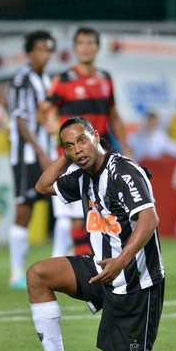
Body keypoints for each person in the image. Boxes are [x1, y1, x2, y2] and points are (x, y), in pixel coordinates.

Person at [21, 116, 176, 351]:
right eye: (69, 146)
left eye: (82, 140)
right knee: (38, 274)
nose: (77, 149)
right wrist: (69, 157)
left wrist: (121, 261)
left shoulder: (123, 171)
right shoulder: (83, 175)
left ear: (95, 135)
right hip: (101, 269)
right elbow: (43, 185)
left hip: (137, 279)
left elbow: (149, 219)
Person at [44, 27, 133, 258]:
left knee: (95, 212)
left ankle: (84, 261)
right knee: (72, 216)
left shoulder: (105, 79)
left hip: (100, 156)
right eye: (81, 43)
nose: (85, 47)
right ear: (75, 48)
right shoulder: (63, 80)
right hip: (73, 155)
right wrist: (51, 123)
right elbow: (43, 111)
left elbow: (113, 115)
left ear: (97, 47)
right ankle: (70, 263)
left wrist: (127, 148)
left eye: (90, 43)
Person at [6, 29, 57, 289]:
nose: (44, 55)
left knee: (64, 207)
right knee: (24, 208)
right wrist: (39, 151)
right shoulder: (21, 79)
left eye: (48, 50)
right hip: (27, 156)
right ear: (28, 53)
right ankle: (16, 272)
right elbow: (20, 118)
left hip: (48, 152)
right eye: (39, 50)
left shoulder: (46, 79)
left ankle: (61, 265)